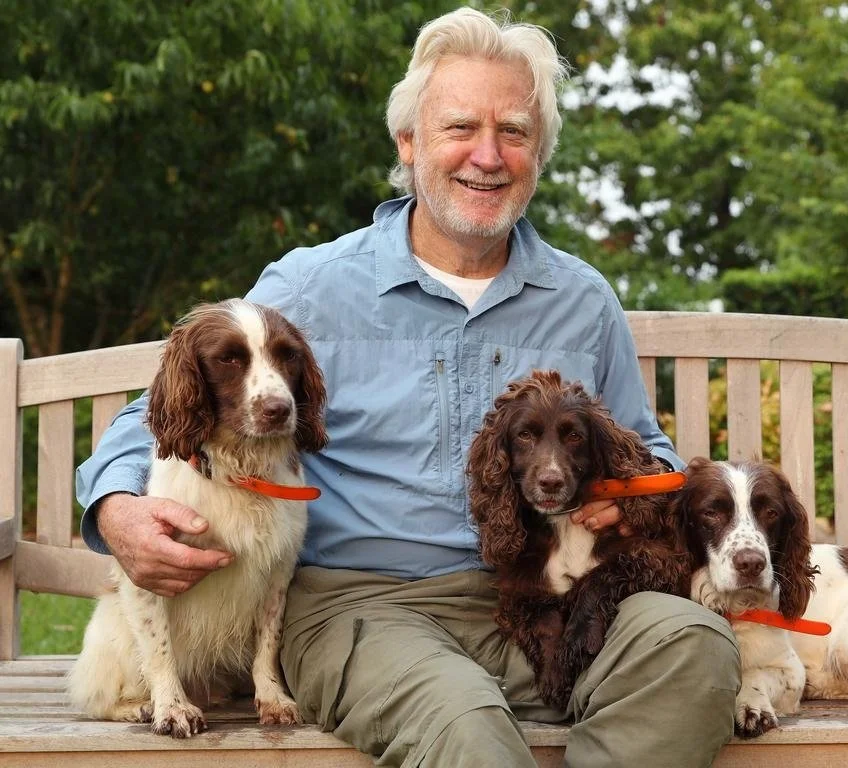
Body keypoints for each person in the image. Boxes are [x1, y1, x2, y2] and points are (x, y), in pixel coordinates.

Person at [76, 7, 740, 766]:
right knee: (466, 729)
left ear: (539, 153)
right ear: (409, 143)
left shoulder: (582, 299)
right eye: (460, 127)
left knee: (692, 647)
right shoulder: (313, 286)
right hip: (363, 609)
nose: (487, 156)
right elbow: (158, 414)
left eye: (514, 132)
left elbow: (645, 451)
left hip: (548, 596)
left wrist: (629, 496)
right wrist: (118, 509)